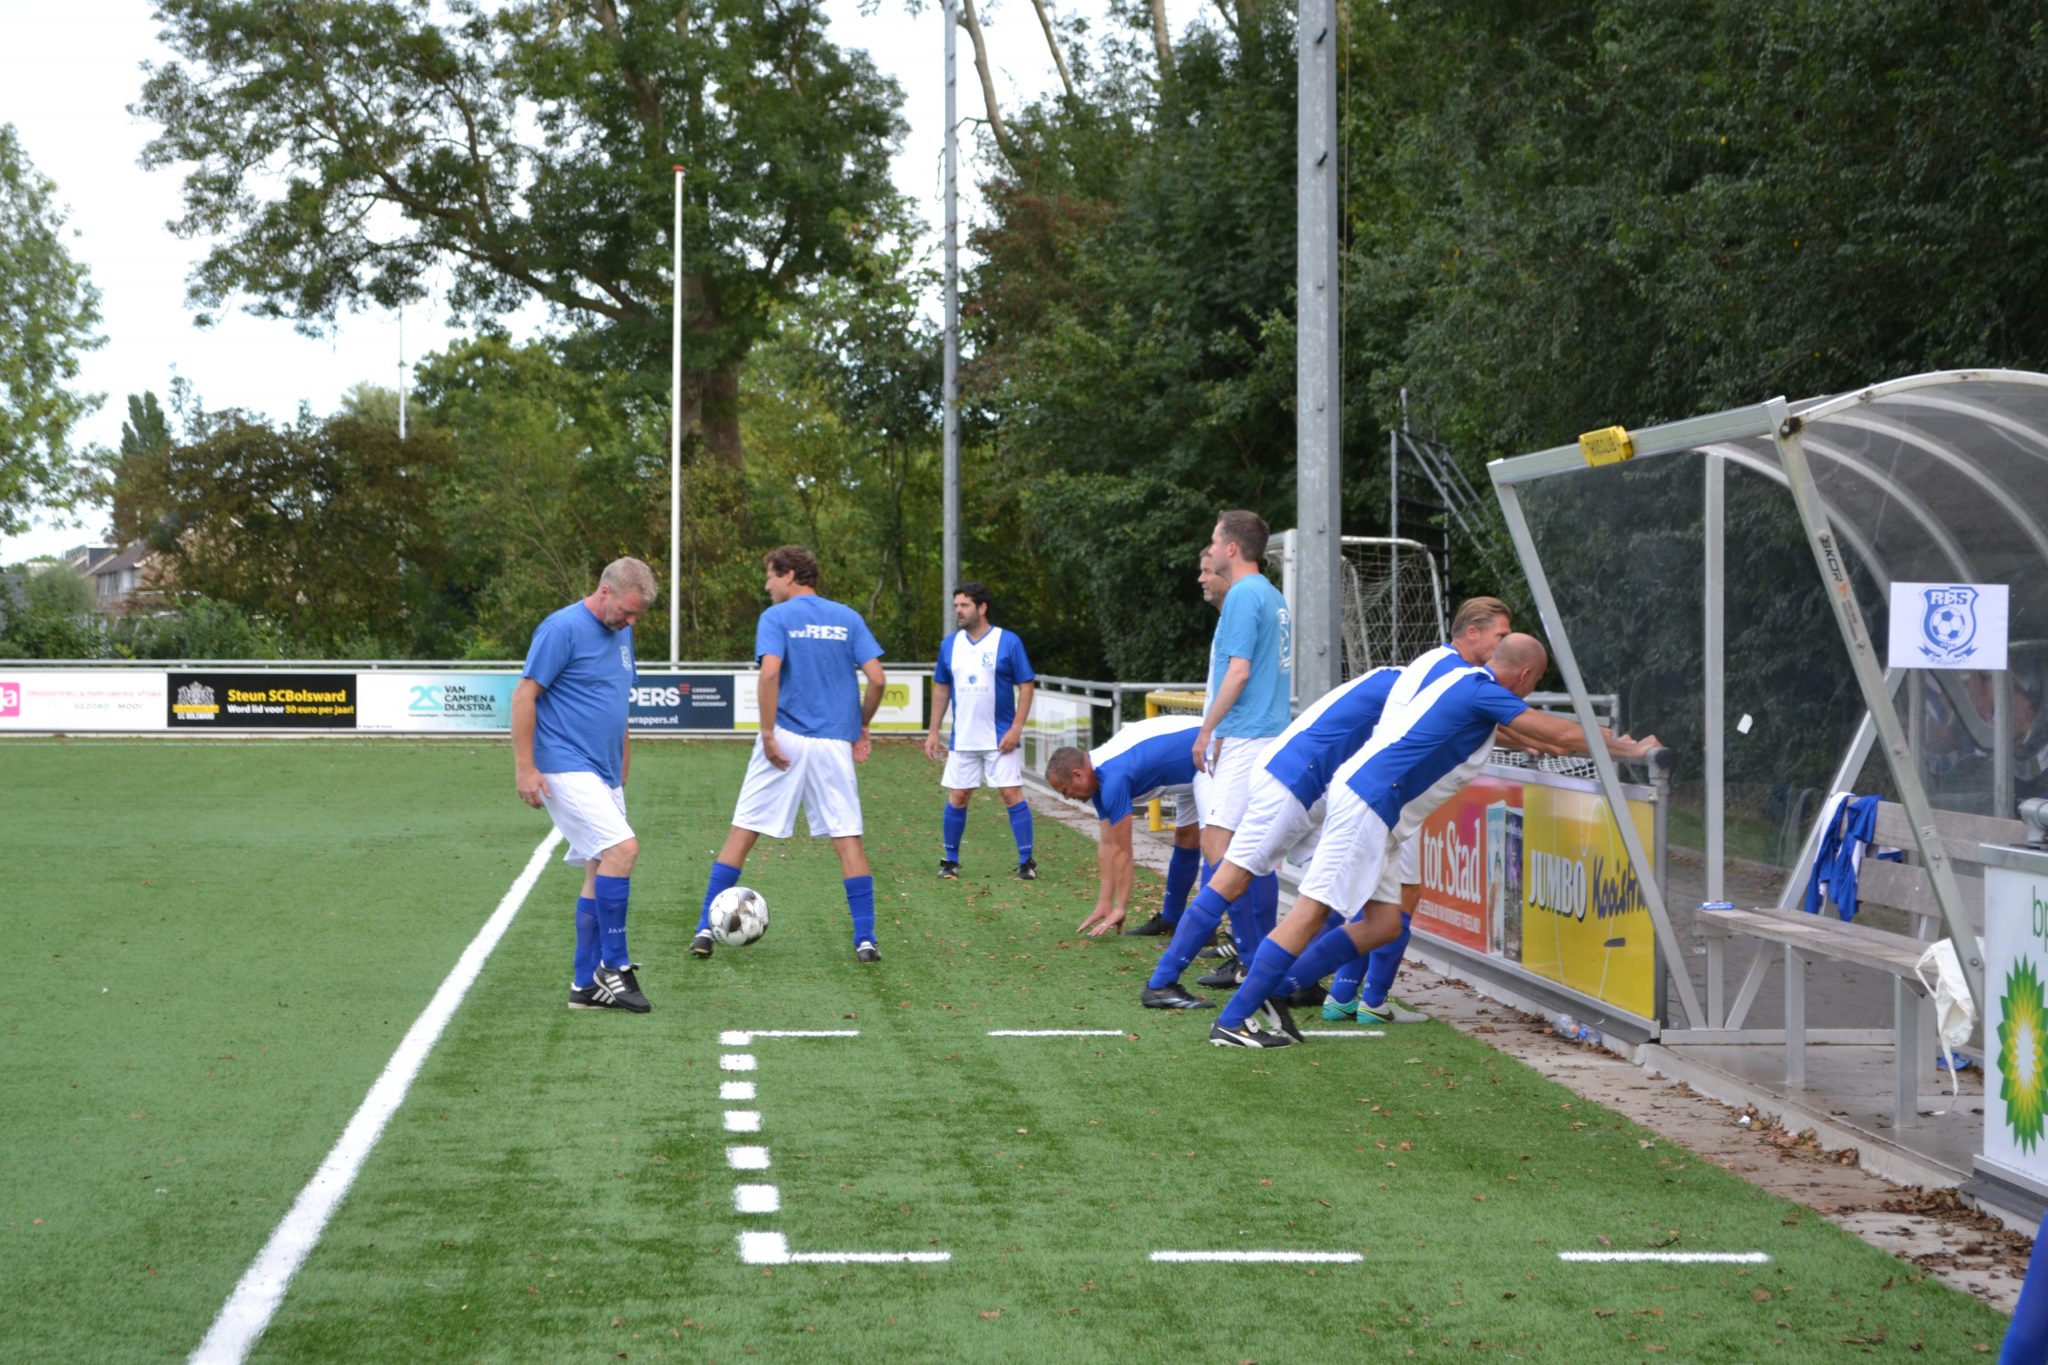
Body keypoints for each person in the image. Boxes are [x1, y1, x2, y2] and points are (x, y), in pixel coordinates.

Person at [1207, 633, 1660, 1047]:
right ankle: (1234, 1019)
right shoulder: (1481, 690)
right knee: (1312, 910)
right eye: (1536, 681)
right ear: (1526, 675)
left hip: (1379, 808)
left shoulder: (1469, 686)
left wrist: (1603, 740)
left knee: (1384, 923)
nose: (1531, 688)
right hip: (1370, 802)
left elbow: (1554, 741)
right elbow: (1559, 733)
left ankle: (1278, 989)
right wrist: (1631, 748)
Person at [1139, 597, 1513, 1010]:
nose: (1506, 646)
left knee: (1345, 895)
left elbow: (1484, 720)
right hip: (1298, 780)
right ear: (1471, 635)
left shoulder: (1430, 672)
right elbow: (1486, 718)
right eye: (1501, 635)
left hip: (1315, 788)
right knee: (1239, 879)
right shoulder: (1441, 679)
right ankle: (1171, 982)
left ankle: (1288, 981)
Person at [692, 546, 889, 963]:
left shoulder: (776, 617)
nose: (767, 585)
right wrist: (861, 725)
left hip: (785, 737)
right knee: (847, 840)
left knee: (742, 832)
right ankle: (866, 940)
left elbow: (769, 673)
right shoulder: (848, 617)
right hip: (833, 743)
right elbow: (877, 679)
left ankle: (705, 929)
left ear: (789, 575)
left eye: (770, 575)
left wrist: (767, 733)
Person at [512, 557, 658, 1013]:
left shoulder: (622, 632)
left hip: (604, 769)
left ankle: (585, 985)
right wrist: (525, 768)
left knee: (600, 865)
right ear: (604, 591)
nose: (631, 622)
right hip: (563, 763)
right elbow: (524, 695)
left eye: (637, 615)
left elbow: (617, 699)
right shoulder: (561, 628)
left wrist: (622, 759)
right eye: (627, 611)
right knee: (622, 850)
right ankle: (614, 966)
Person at [1188, 511, 1292, 963]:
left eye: (1214, 541)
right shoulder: (1272, 594)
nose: (1210, 549)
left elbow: (1239, 672)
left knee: (1219, 844)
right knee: (1252, 850)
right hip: (1264, 734)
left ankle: (1251, 956)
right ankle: (1254, 952)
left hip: (1249, 737)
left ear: (1231, 548)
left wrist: (1207, 729)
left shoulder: (1244, 595)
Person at [1122, 549, 1229, 939]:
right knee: (1190, 836)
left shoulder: (1248, 609)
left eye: (1206, 570)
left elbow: (1242, 679)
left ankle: (1217, 931)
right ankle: (1174, 918)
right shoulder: (1227, 619)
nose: (1200, 578)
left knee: (1222, 844)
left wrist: (1215, 733)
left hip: (1228, 749)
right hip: (1208, 746)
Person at [1044, 714, 1205, 937]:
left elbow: (1123, 851)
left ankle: (1209, 927)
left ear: (1077, 775)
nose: (1067, 797)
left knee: (1215, 846)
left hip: (1211, 755)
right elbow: (1107, 844)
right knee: (1187, 838)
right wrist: (1104, 902)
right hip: (1191, 767)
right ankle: (1172, 919)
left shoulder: (1112, 779)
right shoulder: (1098, 779)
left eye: (1065, 791)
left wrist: (1120, 907)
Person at [924, 582, 1039, 880]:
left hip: (1000, 738)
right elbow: (941, 688)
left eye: (964, 605)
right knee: (958, 796)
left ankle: (1026, 863)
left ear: (982, 607)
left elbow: (1026, 686)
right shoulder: (950, 645)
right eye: (956, 606)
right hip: (963, 738)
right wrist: (933, 731)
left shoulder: (1008, 641)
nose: (958, 611)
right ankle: (950, 861)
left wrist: (1016, 728)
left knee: (1011, 794)